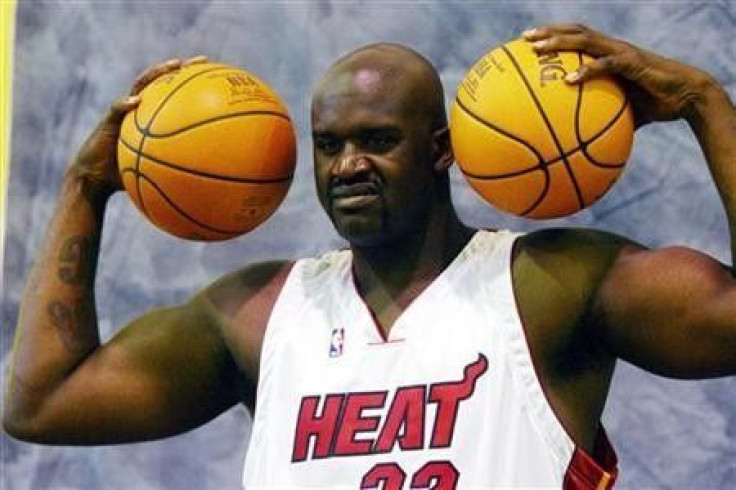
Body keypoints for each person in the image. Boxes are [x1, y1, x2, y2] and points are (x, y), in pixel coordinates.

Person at [3, 24, 735, 489]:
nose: (349, 165)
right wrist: (86, 186)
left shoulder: (549, 287)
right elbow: (41, 403)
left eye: (378, 141)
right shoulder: (260, 314)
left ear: (441, 150)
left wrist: (704, 102)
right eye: (330, 146)